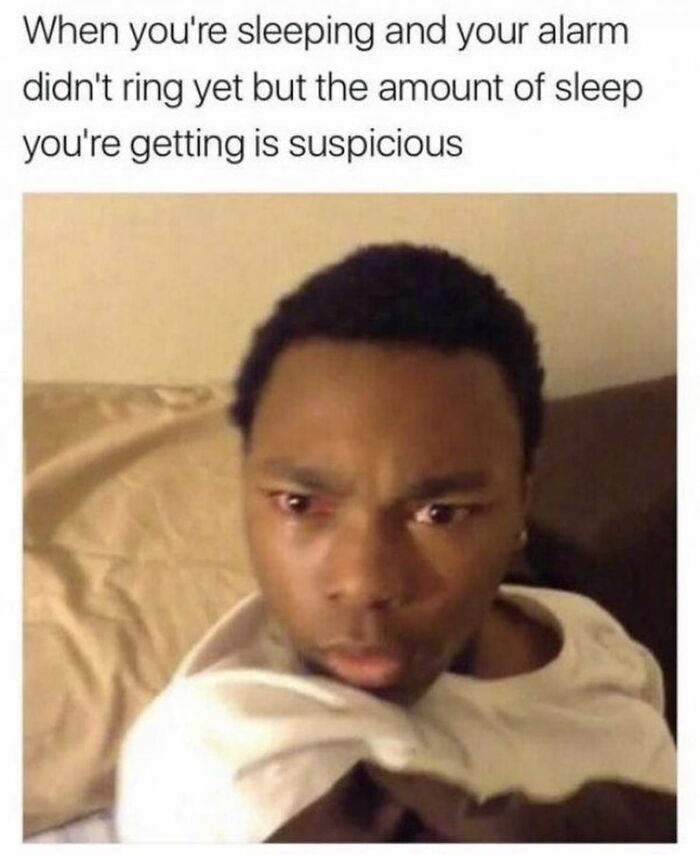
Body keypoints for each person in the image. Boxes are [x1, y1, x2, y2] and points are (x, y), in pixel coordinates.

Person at [116, 244, 676, 842]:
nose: (365, 582)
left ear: (521, 504)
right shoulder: (221, 759)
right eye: (301, 505)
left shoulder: (587, 637)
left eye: (440, 513)